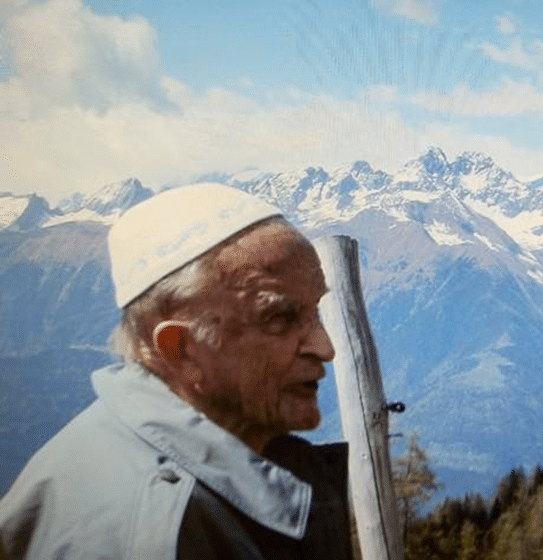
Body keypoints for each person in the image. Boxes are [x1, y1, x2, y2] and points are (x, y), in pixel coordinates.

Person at [0, 183, 354, 559]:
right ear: (181, 350)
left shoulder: (134, 455)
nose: (325, 348)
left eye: (316, 310)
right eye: (279, 318)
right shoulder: (155, 534)